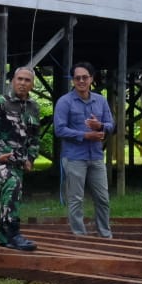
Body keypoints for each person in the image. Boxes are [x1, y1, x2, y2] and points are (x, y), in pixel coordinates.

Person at [53, 60, 114, 237]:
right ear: (73, 80)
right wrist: (85, 135)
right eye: (77, 78)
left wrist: (100, 126)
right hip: (74, 157)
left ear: (91, 79)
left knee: (103, 198)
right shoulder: (64, 102)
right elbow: (59, 129)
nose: (81, 81)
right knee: (75, 199)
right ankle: (80, 236)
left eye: (84, 77)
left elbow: (111, 125)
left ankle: (105, 234)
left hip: (95, 156)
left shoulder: (100, 101)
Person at [0, 66, 43, 251]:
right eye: (19, 79)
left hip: (19, 158)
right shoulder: (0, 103)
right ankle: (13, 233)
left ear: (32, 84)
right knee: (12, 184)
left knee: (10, 194)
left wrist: (31, 159)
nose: (23, 83)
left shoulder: (34, 107)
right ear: (13, 81)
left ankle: (4, 237)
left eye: (27, 80)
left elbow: (34, 137)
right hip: (0, 157)